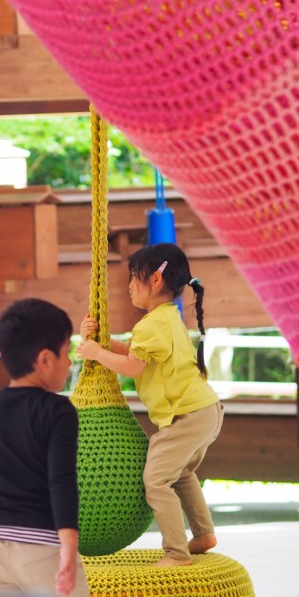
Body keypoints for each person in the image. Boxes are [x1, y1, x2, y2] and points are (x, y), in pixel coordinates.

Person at [77, 242, 223, 567]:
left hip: (187, 415)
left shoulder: (152, 324)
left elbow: (132, 366)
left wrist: (97, 353)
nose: (129, 285)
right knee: (181, 473)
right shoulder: (165, 318)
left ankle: (177, 553)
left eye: (134, 277)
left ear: (155, 279)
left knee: (156, 481)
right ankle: (204, 534)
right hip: (204, 411)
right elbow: (133, 351)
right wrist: (101, 340)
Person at [0, 298, 88, 597]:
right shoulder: (59, 411)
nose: (70, 363)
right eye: (66, 353)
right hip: (42, 547)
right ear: (45, 359)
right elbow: (61, 480)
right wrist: (69, 547)